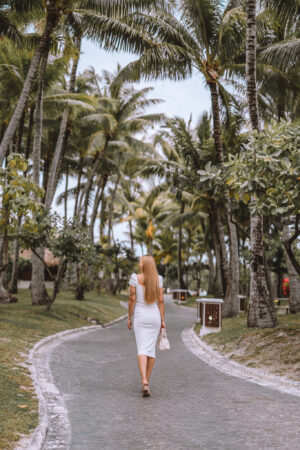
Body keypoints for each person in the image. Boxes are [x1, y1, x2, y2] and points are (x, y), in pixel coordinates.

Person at [128, 255, 166, 397]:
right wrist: (162, 320)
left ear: (144, 265)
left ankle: (144, 381)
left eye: (140, 262)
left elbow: (132, 299)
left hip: (140, 316)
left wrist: (129, 317)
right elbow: (161, 301)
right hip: (154, 316)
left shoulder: (134, 278)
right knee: (151, 351)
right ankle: (146, 382)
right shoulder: (159, 279)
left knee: (142, 349)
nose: (138, 264)